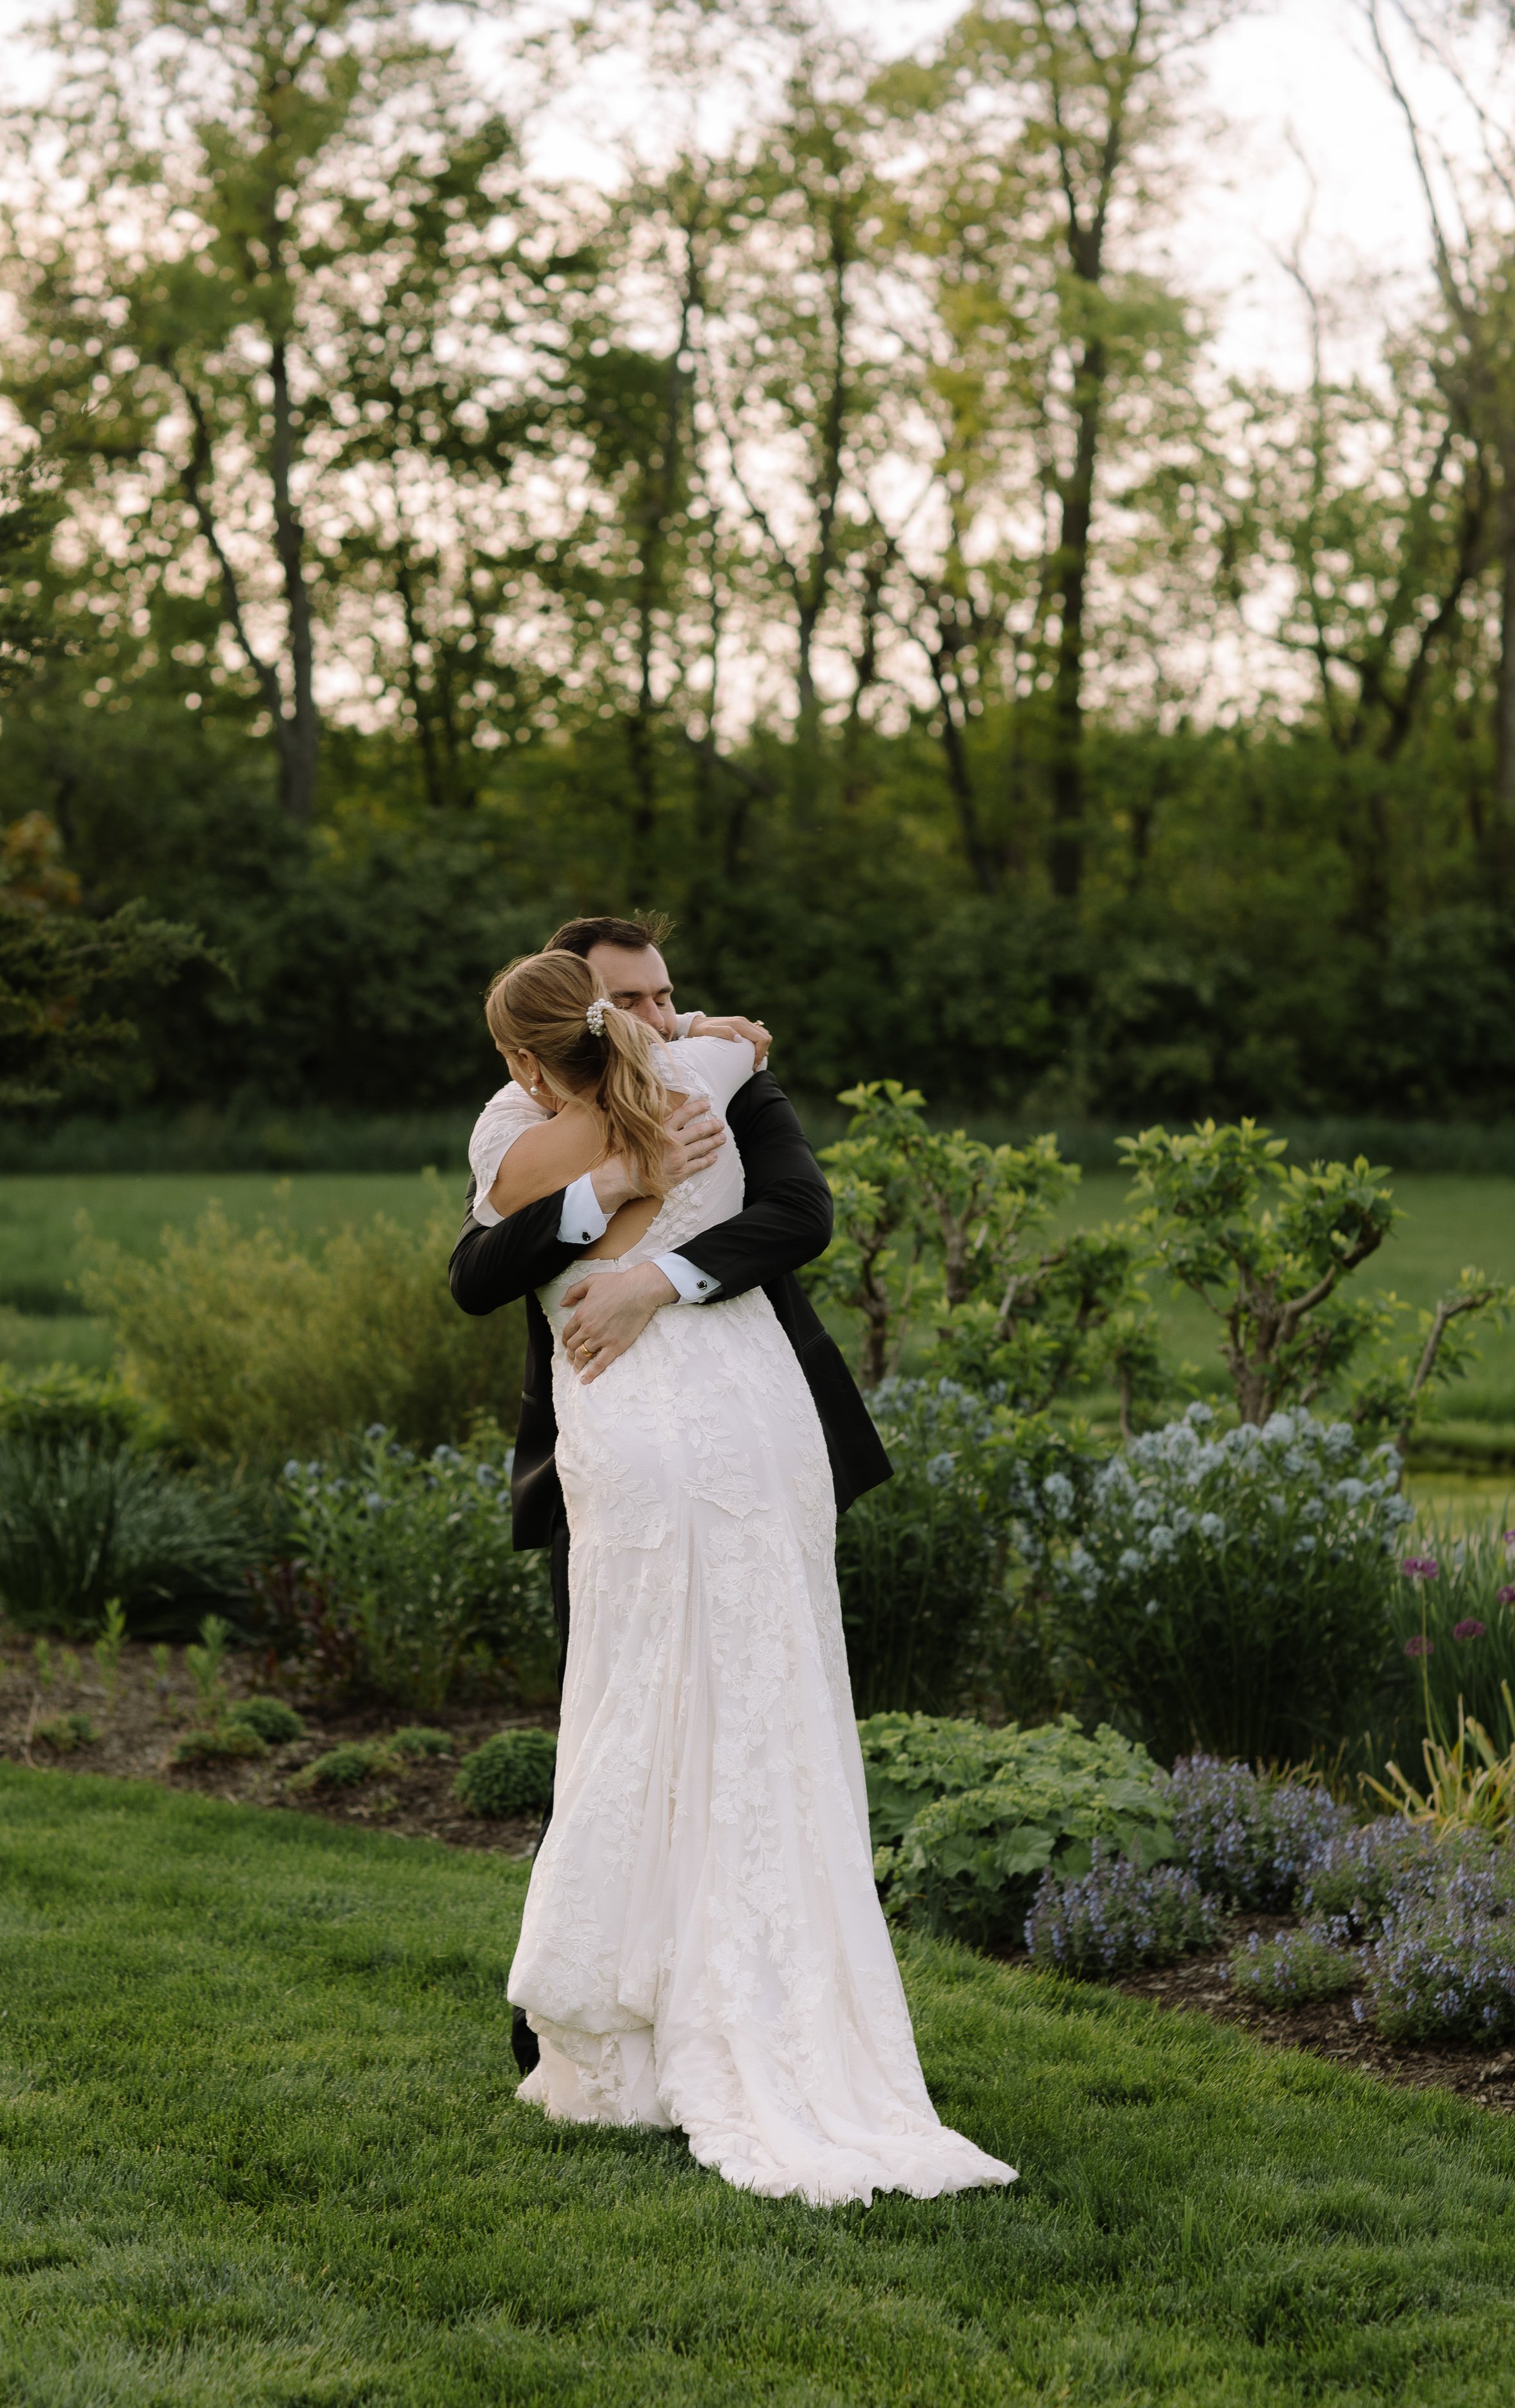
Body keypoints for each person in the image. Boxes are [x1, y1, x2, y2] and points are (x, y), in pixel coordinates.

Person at [447, 927, 1017, 2207]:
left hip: (719, 1417)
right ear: (585, 1005)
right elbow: (479, 1270)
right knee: (632, 1721)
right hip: (663, 1439)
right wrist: (624, 1172)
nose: (661, 1009)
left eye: (664, 990)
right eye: (629, 998)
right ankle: (613, 2030)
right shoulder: (687, 1067)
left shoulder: (695, 1068)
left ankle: (637, 2031)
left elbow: (797, 1214)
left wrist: (654, 1273)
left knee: (709, 1714)